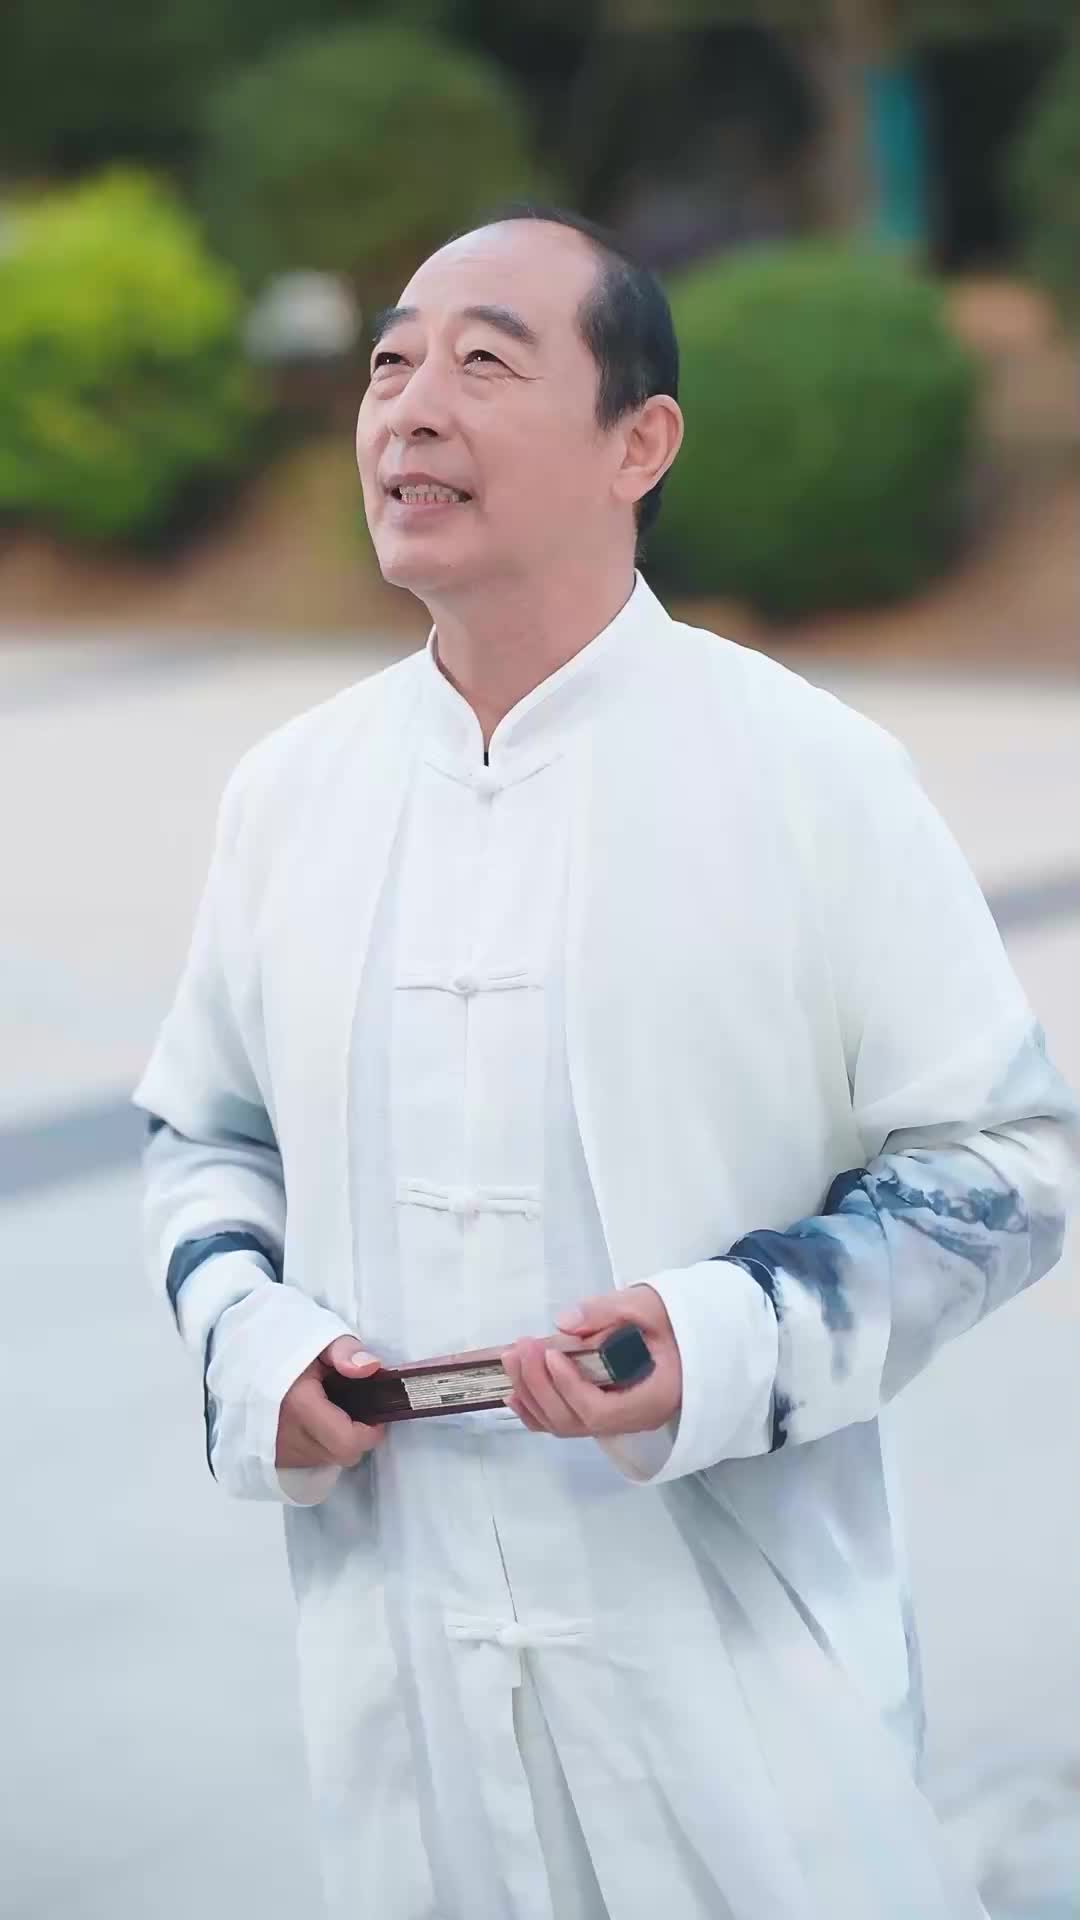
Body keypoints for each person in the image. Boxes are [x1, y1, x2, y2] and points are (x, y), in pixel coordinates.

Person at [134, 206, 1079, 1920]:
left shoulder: (810, 775)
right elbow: (204, 1137)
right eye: (389, 364)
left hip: (735, 1679)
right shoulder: (289, 795)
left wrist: (730, 1331)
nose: (412, 406)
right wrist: (255, 1344)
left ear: (639, 443)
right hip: (403, 1674)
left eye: (485, 362)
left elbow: (1004, 1162)